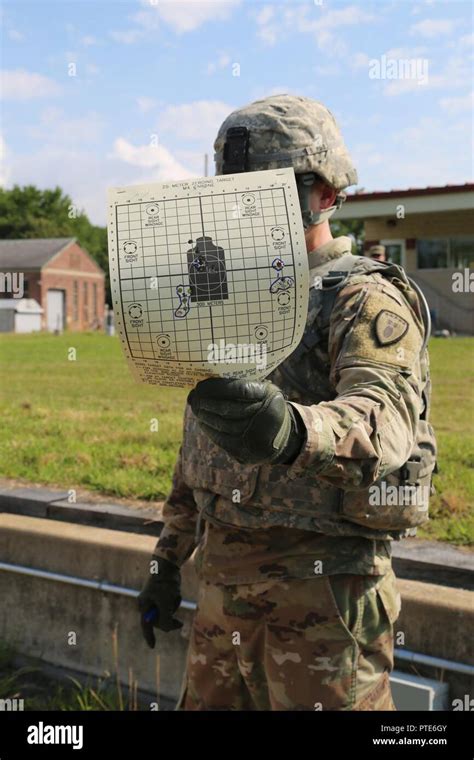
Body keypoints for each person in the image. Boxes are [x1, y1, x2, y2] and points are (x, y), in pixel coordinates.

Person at [137, 94, 436, 711]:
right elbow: (201, 443)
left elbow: (385, 418)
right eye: (237, 192)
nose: (250, 207)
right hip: (223, 594)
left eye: (273, 189)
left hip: (324, 602)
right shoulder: (222, 294)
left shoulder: (363, 298)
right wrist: (168, 560)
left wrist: (291, 431)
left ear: (326, 192)